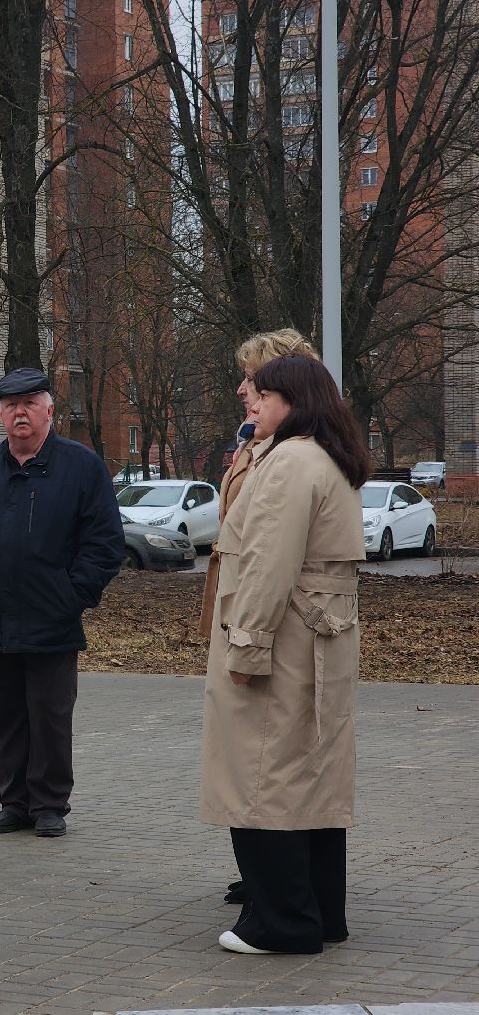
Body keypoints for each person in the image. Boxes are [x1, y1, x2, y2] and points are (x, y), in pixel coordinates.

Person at [200, 354, 369, 955]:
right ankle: (320, 913)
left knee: (261, 780)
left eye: (264, 395)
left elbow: (268, 564)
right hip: (316, 638)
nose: (253, 402)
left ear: (293, 401)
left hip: (283, 642)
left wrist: (246, 646)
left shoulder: (291, 460)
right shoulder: (328, 455)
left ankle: (282, 922)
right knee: (308, 781)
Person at [0, 368, 124, 839]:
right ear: (0, 414)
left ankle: (49, 804)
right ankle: (14, 802)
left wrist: (72, 595)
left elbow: (104, 544)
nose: (20, 413)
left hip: (50, 618)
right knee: (5, 717)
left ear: (49, 411)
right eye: (11, 405)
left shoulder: (81, 467)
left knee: (50, 715)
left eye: (30, 404)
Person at [198, 328, 320, 907]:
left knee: (264, 755)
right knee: (245, 751)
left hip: (269, 617)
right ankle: (263, 874)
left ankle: (278, 885)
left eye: (254, 380)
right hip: (239, 603)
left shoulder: (290, 452)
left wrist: (249, 636)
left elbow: (274, 549)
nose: (243, 390)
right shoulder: (255, 441)